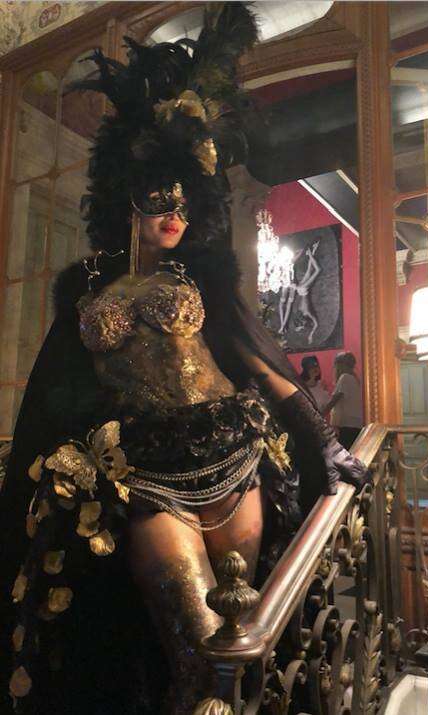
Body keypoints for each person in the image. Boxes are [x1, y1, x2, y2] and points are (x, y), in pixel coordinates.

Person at [0, 6, 366, 714]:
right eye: (156, 196)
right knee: (198, 649)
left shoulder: (203, 277)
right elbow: (57, 388)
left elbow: (257, 362)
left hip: (231, 460)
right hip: (146, 478)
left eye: (183, 200)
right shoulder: (85, 287)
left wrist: (321, 437)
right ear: (124, 196)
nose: (173, 211)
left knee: (243, 643)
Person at [325, 351, 363, 450]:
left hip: (347, 426)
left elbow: (333, 401)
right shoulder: (355, 379)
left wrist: (319, 413)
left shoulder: (344, 378)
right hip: (356, 425)